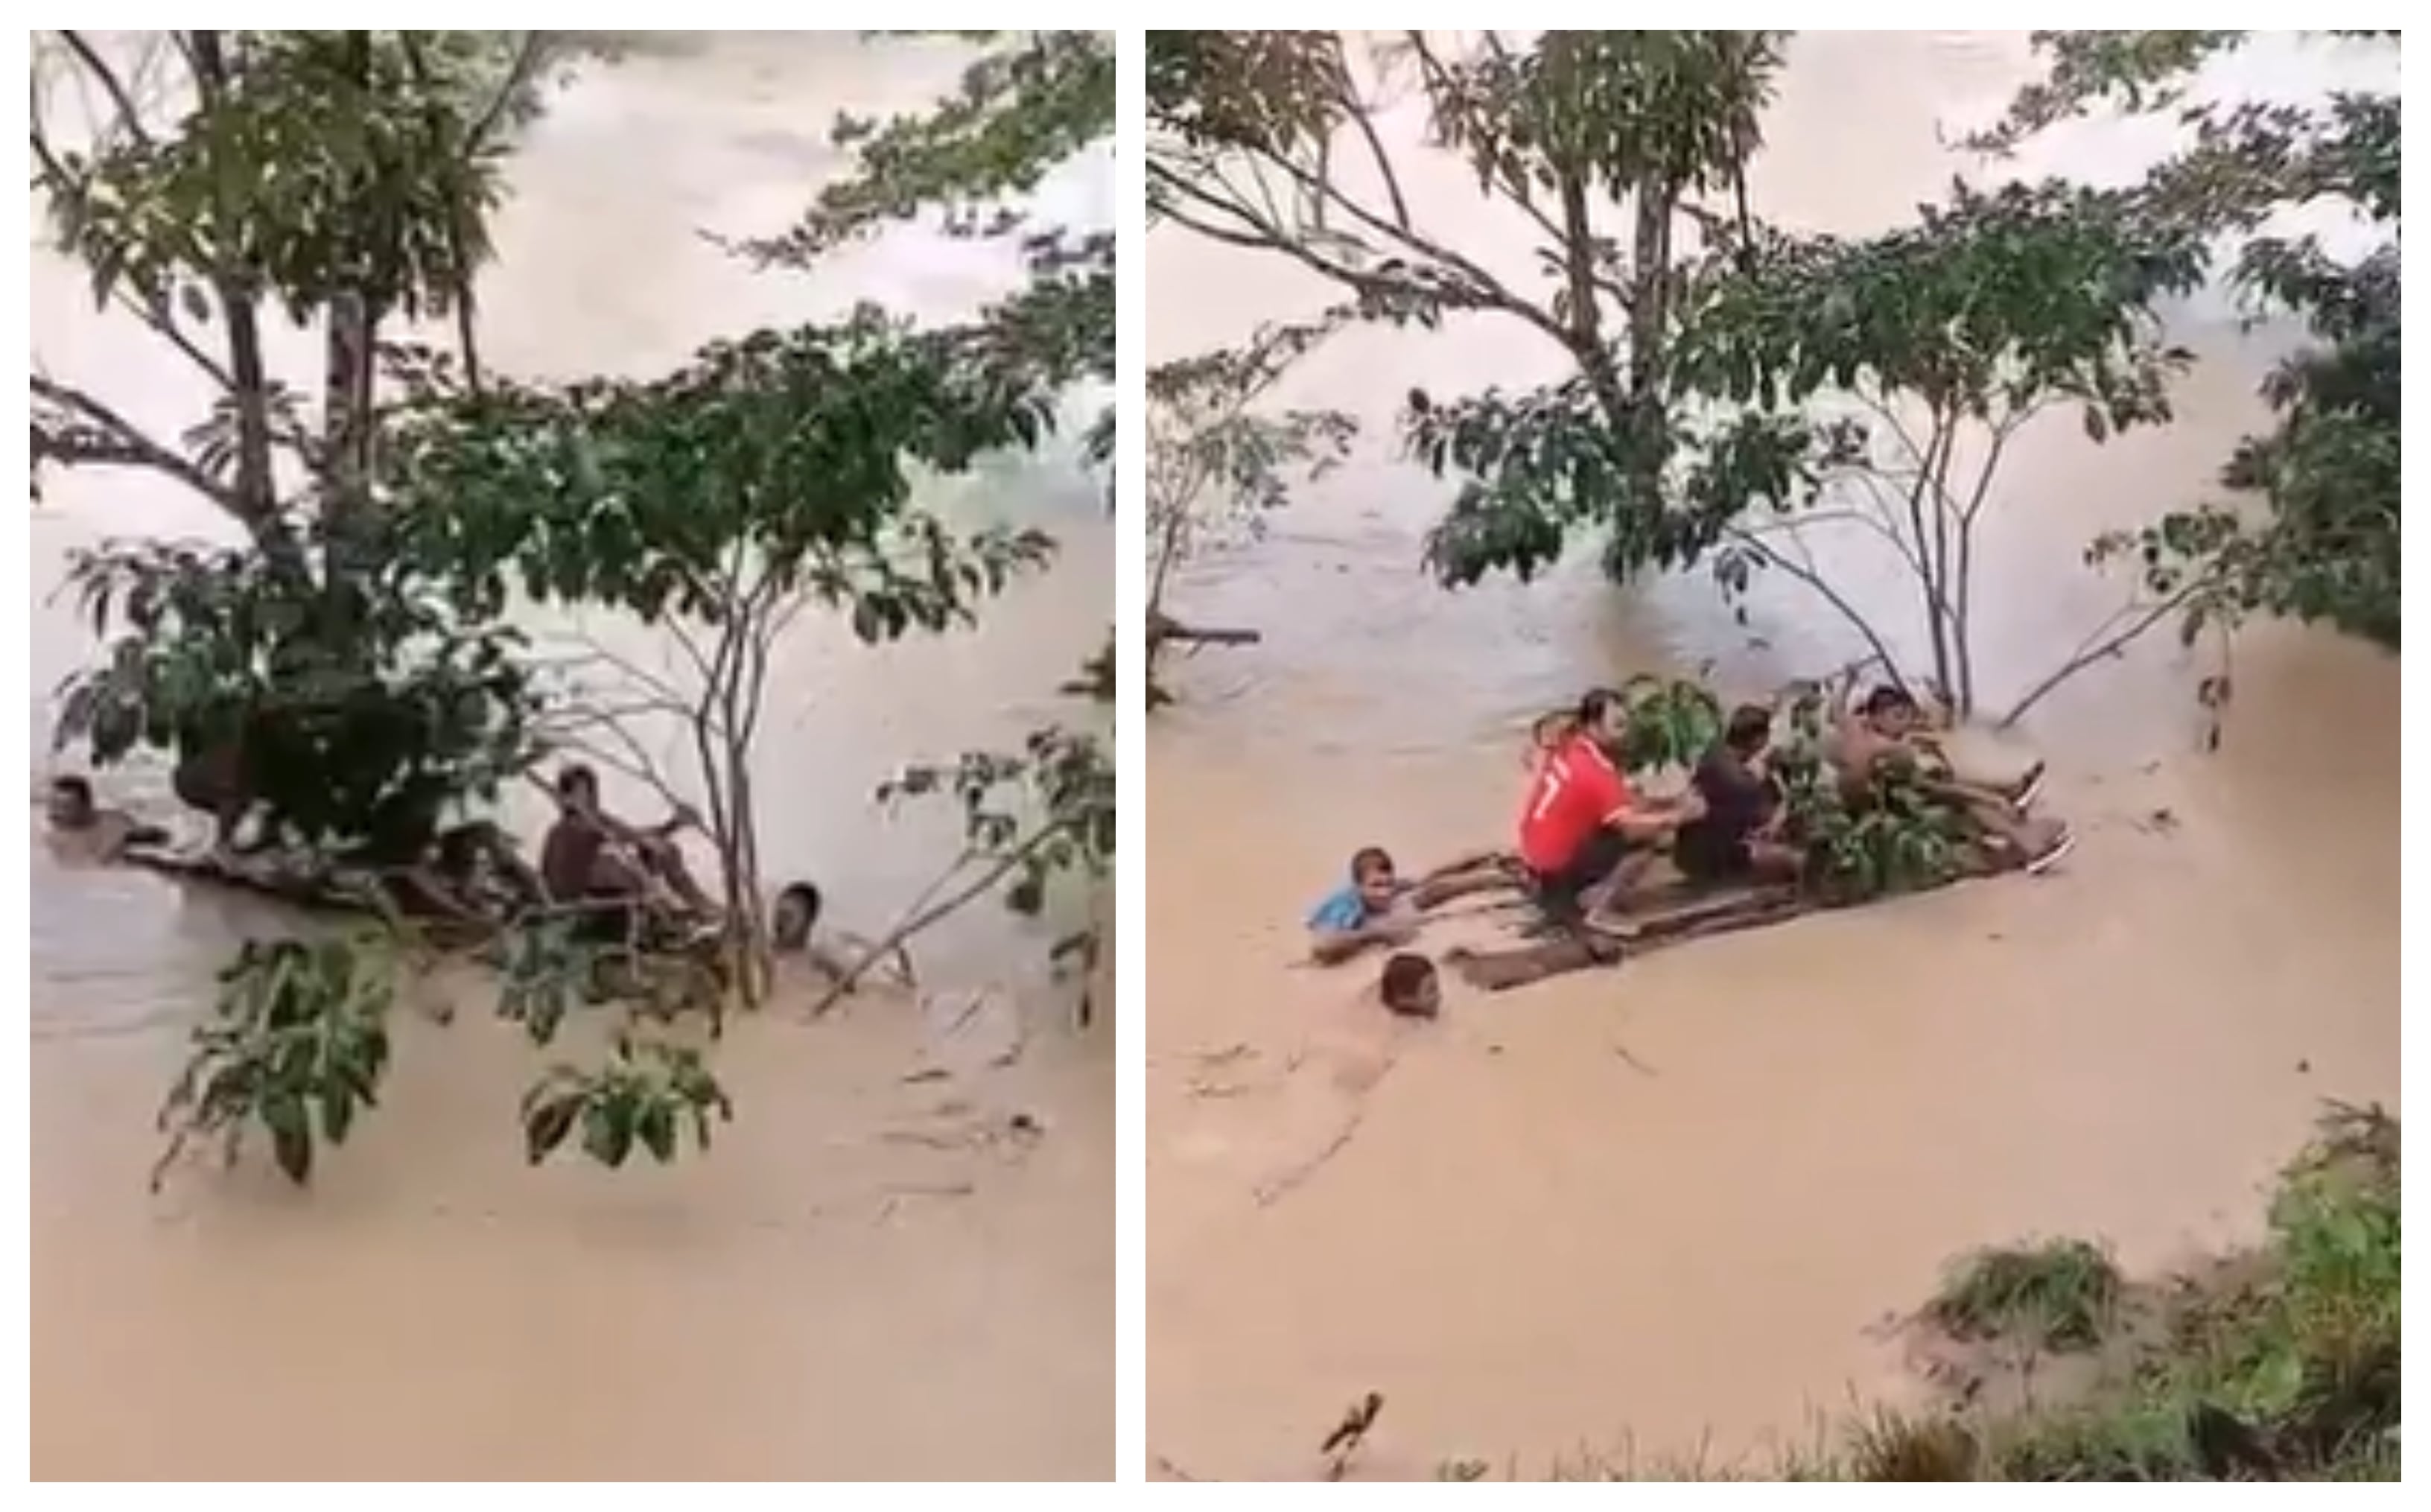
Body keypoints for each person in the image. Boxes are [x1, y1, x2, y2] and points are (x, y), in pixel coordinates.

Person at [1517, 687, 1706, 927]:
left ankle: (1580, 884)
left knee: (1617, 821)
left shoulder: (1569, 746)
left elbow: (1621, 800)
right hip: (1554, 869)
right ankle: (1600, 908)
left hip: (1533, 854)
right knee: (1646, 844)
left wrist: (1670, 802)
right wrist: (1680, 816)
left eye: (1626, 724)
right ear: (1594, 726)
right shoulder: (1598, 773)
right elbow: (1630, 826)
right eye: (1618, 726)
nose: (1626, 734)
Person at [1829, 686, 2073, 872]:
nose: (1905, 723)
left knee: (1944, 774)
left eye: (1907, 716)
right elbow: (1933, 788)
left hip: (1874, 807)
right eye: (1898, 716)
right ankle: (2025, 840)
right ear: (1876, 716)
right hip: (1878, 818)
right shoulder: (1885, 748)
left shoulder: (1856, 729)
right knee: (1963, 801)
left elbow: (1839, 713)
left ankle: (2012, 805)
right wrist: (1986, 798)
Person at [538, 764, 714, 940]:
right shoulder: (568, 828)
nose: (584, 798)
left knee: (660, 851)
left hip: (598, 895)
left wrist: (672, 826)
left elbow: (633, 835)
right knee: (613, 863)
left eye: (587, 791)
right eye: (578, 792)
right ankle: (671, 915)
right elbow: (630, 837)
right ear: (566, 796)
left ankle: (699, 906)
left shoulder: (592, 820)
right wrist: (671, 826)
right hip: (579, 902)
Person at [1675, 704, 1804, 886]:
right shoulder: (1732, 773)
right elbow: (1752, 802)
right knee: (1794, 860)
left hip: (1702, 848)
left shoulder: (1717, 753)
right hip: (1715, 855)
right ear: (1758, 739)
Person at [769, 880, 915, 991]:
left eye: (788, 917)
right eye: (778, 914)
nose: (779, 922)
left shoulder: (818, 961)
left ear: (808, 921)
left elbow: (855, 987)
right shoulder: (764, 953)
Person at [1306, 846, 1422, 965]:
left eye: (1389, 884)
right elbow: (1323, 944)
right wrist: (1376, 933)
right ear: (1358, 887)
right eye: (1376, 886)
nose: (1385, 893)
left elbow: (1394, 885)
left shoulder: (1374, 888)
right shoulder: (1349, 909)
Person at [43, 775, 168, 863]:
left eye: (65, 807)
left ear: (86, 807)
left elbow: (159, 840)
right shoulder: (52, 840)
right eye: (52, 805)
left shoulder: (117, 823)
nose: (53, 814)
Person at [1376, 952, 1441, 1020]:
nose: (1439, 996)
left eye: (1436, 988)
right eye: (1430, 990)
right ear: (1407, 999)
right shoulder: (1401, 1024)